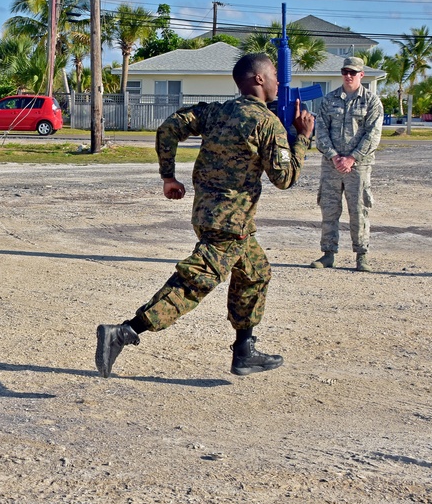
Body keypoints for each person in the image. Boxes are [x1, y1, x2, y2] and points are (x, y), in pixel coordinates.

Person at [95, 53, 315, 378]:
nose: (278, 83)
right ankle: (124, 332)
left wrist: (168, 176)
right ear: (258, 79)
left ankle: (244, 351)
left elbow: (170, 127)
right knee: (192, 284)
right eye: (274, 76)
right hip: (231, 224)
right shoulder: (267, 123)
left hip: (208, 216)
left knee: (256, 273)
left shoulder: (216, 111)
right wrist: (303, 138)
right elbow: (286, 178)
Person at [311, 56, 384, 272]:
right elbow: (320, 130)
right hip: (331, 165)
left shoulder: (371, 101)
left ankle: (362, 255)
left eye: (353, 72)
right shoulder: (328, 100)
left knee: (359, 210)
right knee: (329, 209)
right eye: (345, 71)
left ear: (362, 74)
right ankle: (328, 254)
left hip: (359, 166)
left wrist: (352, 158)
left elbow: (373, 135)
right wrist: (334, 156)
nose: (348, 76)